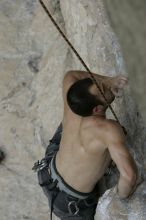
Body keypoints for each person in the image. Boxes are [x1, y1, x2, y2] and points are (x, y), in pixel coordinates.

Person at [34, 70, 138, 220]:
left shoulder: (75, 98)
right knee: (111, 138)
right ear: (97, 109)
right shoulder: (108, 129)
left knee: (75, 118)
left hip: (48, 169)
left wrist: (109, 81)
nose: (106, 86)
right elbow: (129, 176)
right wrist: (118, 199)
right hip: (72, 204)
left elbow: (71, 76)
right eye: (104, 89)